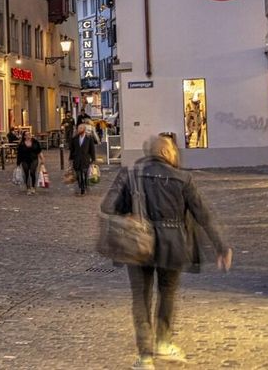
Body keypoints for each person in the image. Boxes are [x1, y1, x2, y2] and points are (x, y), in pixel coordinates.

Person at [100, 133, 231, 368]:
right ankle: (163, 342)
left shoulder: (130, 174)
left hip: (137, 244)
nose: (176, 154)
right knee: (167, 293)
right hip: (173, 244)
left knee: (141, 299)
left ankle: (145, 357)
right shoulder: (183, 178)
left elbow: (107, 206)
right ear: (164, 152)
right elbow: (203, 214)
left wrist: (129, 214)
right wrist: (221, 246)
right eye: (172, 150)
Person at [68, 122, 99, 196]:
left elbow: (92, 150)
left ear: (84, 129)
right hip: (77, 159)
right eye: (78, 128)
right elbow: (72, 150)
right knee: (78, 175)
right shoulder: (74, 138)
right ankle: (81, 187)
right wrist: (70, 159)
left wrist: (93, 159)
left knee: (84, 174)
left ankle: (83, 188)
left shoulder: (89, 138)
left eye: (80, 128)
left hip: (85, 159)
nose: (79, 130)